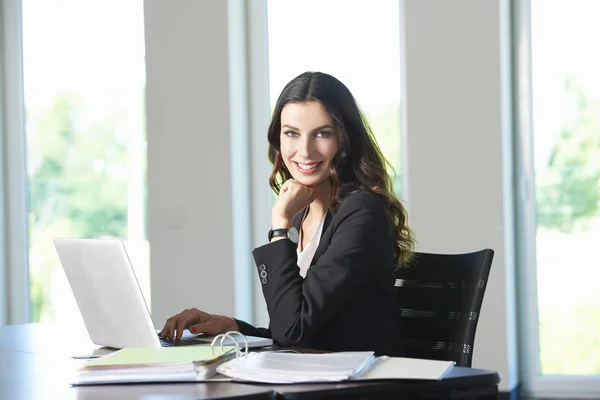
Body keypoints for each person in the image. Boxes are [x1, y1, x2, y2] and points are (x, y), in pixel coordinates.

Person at [159, 71, 415, 356]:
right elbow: (294, 326)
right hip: (315, 376)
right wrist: (229, 325)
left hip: (363, 384)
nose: (304, 151)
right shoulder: (301, 214)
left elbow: (293, 330)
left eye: (322, 133)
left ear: (345, 140)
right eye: (292, 133)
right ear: (278, 139)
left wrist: (279, 227)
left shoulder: (362, 211)